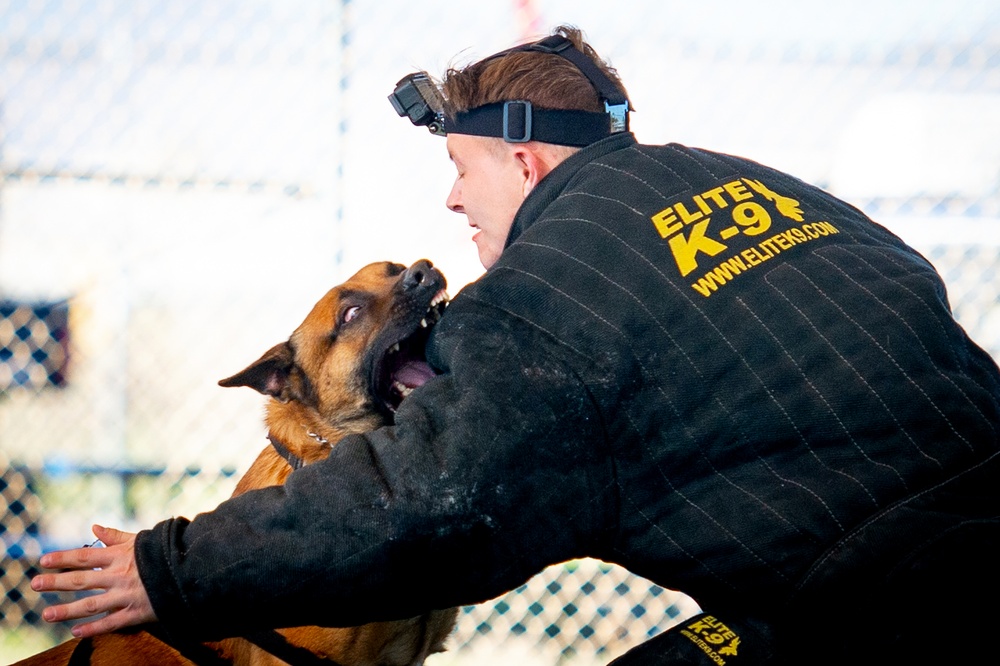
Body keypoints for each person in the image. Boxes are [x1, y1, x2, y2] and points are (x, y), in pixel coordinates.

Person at [32, 25, 1000, 665]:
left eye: (461, 169)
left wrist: (176, 568)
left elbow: (422, 506)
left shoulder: (543, 298)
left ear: (524, 160)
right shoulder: (769, 190)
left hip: (881, 609)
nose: (452, 201)